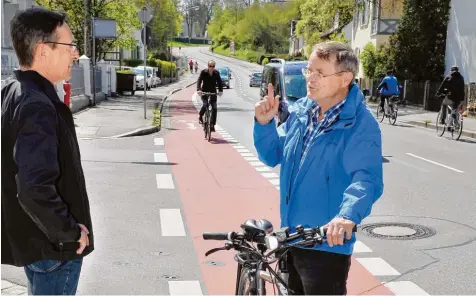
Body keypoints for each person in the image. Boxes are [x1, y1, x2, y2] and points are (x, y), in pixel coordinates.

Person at [253, 41, 383, 295]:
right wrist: (264, 123)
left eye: (319, 73)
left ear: (345, 78)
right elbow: (272, 155)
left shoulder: (360, 124)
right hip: (290, 238)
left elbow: (366, 179)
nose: (310, 79)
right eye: (308, 71)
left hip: (325, 244)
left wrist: (346, 217)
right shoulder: (302, 111)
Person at [1, 7, 94, 295]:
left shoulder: (12, 91)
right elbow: (34, 187)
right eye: (69, 45)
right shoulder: (37, 105)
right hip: (53, 249)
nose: (75, 54)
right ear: (43, 51)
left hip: (35, 241)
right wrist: (69, 232)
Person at [197, 60, 223, 132]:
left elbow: (220, 82)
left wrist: (220, 91)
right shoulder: (203, 72)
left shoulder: (216, 73)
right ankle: (200, 115)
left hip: (213, 92)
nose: (211, 68)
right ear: (208, 66)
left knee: (214, 108)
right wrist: (199, 89)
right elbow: (199, 81)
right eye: (210, 66)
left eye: (213, 66)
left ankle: (212, 125)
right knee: (205, 104)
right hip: (204, 91)